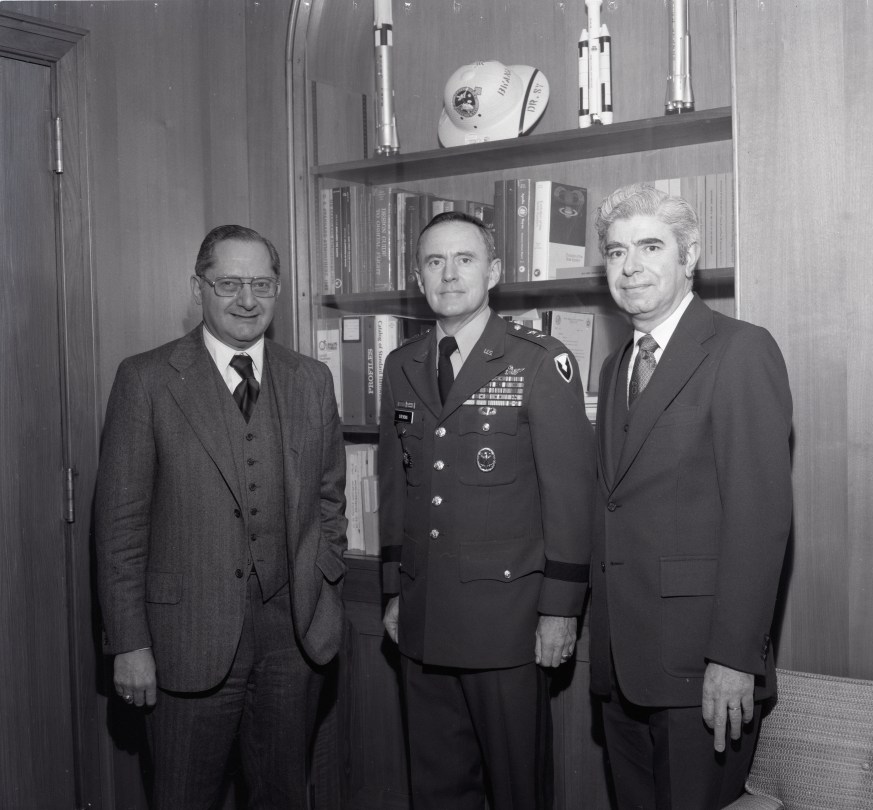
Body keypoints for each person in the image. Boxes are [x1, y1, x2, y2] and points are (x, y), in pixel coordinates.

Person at [95, 224, 347, 809]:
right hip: (185, 641)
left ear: (278, 289)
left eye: (261, 283)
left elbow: (330, 499)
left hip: (295, 640)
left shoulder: (312, 380)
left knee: (283, 796)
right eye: (229, 283)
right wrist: (130, 642)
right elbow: (119, 530)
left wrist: (324, 585)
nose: (247, 299)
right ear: (198, 287)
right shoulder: (146, 379)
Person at [378, 211, 595, 810]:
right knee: (437, 791)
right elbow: (397, 490)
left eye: (465, 259)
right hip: (423, 618)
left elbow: (570, 499)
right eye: (434, 261)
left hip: (509, 624)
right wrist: (393, 592)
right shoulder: (401, 367)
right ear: (418, 277)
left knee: (517, 791)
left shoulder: (538, 361)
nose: (449, 275)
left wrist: (561, 611)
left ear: (494, 272)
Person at [588, 184, 793, 809]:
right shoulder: (614, 365)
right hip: (622, 665)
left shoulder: (740, 349)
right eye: (617, 252)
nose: (631, 267)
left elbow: (761, 520)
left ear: (690, 255)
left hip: (702, 671)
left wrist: (734, 658)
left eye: (651, 247)